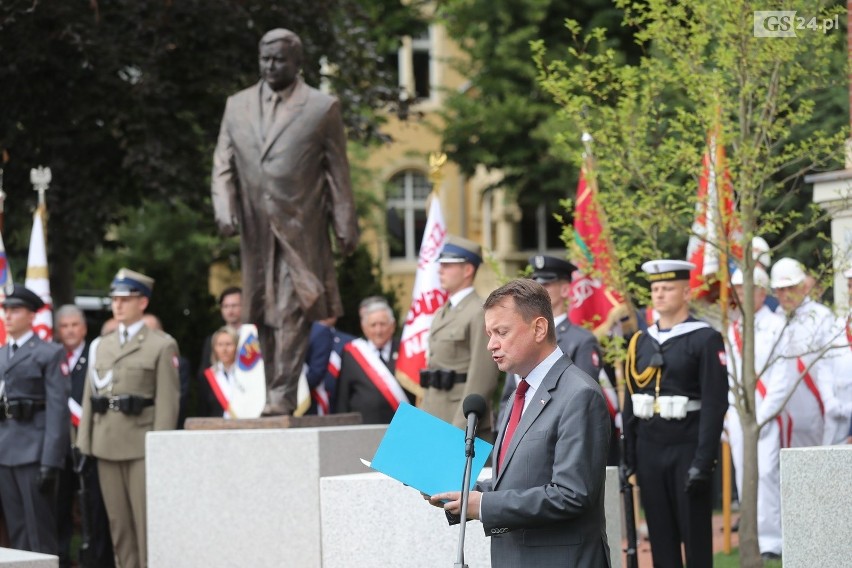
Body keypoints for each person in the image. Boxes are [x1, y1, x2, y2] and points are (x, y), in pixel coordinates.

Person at [211, 28, 359, 416]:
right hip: (255, 228)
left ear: (298, 62)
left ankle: (282, 393)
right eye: (264, 58)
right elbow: (222, 164)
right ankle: (274, 385)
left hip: (301, 226)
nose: (270, 66)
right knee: (260, 309)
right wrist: (225, 209)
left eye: (278, 59)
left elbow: (337, 172)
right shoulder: (237, 105)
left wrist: (345, 223)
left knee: (294, 305)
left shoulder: (321, 107)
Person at [429, 279, 611, 567]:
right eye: (490, 334)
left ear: (539, 329)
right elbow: (517, 481)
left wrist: (485, 506)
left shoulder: (579, 394)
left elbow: (572, 495)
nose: (491, 344)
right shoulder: (519, 394)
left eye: (502, 332)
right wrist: (464, 492)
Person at [622, 259, 728, 568]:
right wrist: (629, 454)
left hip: (687, 448)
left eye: (668, 288)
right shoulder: (640, 342)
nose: (659, 294)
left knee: (695, 538)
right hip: (650, 449)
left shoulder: (705, 338)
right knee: (660, 538)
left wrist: (704, 460)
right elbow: (632, 400)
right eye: (655, 288)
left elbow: (714, 403)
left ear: (686, 292)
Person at [77, 268, 181, 568]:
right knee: (118, 525)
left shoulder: (161, 345)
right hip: (106, 444)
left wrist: (160, 448)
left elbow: (167, 404)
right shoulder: (102, 345)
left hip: (141, 447)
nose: (118, 305)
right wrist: (83, 444)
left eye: (126, 299)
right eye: (115, 299)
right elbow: (90, 397)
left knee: (145, 522)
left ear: (143, 303)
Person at [725, 267, 792, 560]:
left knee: (766, 474)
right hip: (739, 413)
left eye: (746, 289)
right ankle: (751, 535)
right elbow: (729, 374)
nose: (740, 295)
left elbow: (783, 375)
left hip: (767, 412)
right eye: (737, 290)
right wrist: (730, 414)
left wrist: (764, 413)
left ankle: (773, 540)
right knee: (744, 474)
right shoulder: (733, 328)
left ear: (761, 292)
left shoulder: (777, 326)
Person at [0, 285, 69, 554]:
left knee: (39, 531)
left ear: (31, 316)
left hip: (34, 451)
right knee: (16, 530)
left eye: (15, 310)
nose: (8, 316)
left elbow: (57, 411)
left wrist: (51, 460)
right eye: (6, 310)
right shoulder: (2, 354)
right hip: (5, 449)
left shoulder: (48, 353)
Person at [420, 235, 499, 439]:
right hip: (434, 415)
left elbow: (482, 377)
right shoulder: (442, 312)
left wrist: (462, 426)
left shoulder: (479, 311)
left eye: (448, 265)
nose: (440, 270)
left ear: (467, 270)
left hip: (461, 419)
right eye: (441, 264)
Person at [54, 305, 114, 568]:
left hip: (88, 442)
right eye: (64, 326)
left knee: (93, 508)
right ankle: (62, 559)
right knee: (58, 509)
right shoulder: (52, 357)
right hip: (58, 446)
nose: (69, 331)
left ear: (84, 328)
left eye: (74, 325)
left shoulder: (95, 354)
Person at [770, 257, 851, 446]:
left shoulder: (822, 316)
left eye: (791, 288)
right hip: (784, 407)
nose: (787, 295)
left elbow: (829, 364)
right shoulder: (774, 321)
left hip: (818, 406)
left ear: (803, 287)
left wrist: (829, 400)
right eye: (781, 290)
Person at [336, 301, 414, 423]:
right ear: (364, 327)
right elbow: (343, 397)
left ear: (392, 326)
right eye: (373, 325)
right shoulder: (352, 353)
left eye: (383, 324)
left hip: (401, 427)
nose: (378, 330)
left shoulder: (406, 350)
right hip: (364, 429)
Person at [196, 287, 241, 417]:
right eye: (225, 306)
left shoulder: (252, 340)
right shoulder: (212, 340)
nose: (230, 310)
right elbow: (204, 375)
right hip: (217, 409)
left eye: (234, 305)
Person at [201, 326, 239, 417]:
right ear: (214, 348)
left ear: (237, 346)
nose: (224, 349)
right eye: (220, 345)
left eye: (229, 344)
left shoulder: (246, 375)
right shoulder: (208, 376)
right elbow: (204, 409)